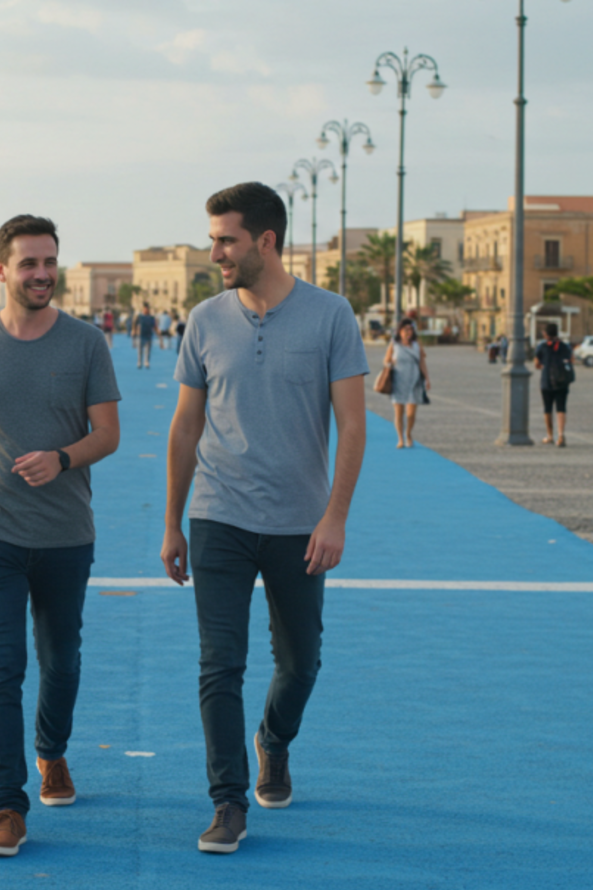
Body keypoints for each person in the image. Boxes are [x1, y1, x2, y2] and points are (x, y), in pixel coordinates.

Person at [161, 183, 367, 855]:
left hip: (300, 522)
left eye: (226, 240)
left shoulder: (331, 315)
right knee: (220, 664)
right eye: (213, 239)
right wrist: (172, 522)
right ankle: (226, 801)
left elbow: (353, 423)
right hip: (218, 515)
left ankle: (273, 740)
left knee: (301, 661)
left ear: (266, 241)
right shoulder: (205, 319)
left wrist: (334, 518)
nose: (213, 251)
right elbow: (186, 425)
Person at [0, 214, 121, 858]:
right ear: (1, 270)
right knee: (0, 668)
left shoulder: (87, 343)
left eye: (50, 262)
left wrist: (62, 458)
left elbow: (108, 435)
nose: (42, 274)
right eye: (29, 263)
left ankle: (53, 753)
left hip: (66, 531)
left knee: (61, 660)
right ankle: (8, 805)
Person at [384, 318, 429, 448]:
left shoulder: (416, 344)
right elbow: (386, 360)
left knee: (411, 413)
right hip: (398, 381)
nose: (408, 332)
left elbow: (422, 362)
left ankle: (408, 433)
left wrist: (427, 379)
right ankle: (400, 438)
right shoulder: (394, 344)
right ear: (400, 331)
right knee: (399, 412)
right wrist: (389, 363)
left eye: (410, 330)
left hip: (414, 381)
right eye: (406, 330)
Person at [534, 322, 574, 446]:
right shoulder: (565, 346)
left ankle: (550, 435)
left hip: (547, 381)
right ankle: (561, 436)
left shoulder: (542, 346)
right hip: (562, 381)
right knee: (561, 408)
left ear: (545, 334)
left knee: (547, 409)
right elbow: (571, 360)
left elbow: (537, 364)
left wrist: (544, 365)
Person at [134, 302, 159, 369]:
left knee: (148, 350)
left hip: (149, 335)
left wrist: (158, 333)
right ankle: (139, 362)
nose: (146, 310)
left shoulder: (151, 318)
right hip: (141, 335)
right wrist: (134, 331)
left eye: (147, 309)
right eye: (145, 309)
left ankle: (146, 362)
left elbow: (155, 326)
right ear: (143, 309)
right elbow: (135, 324)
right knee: (140, 350)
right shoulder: (140, 317)